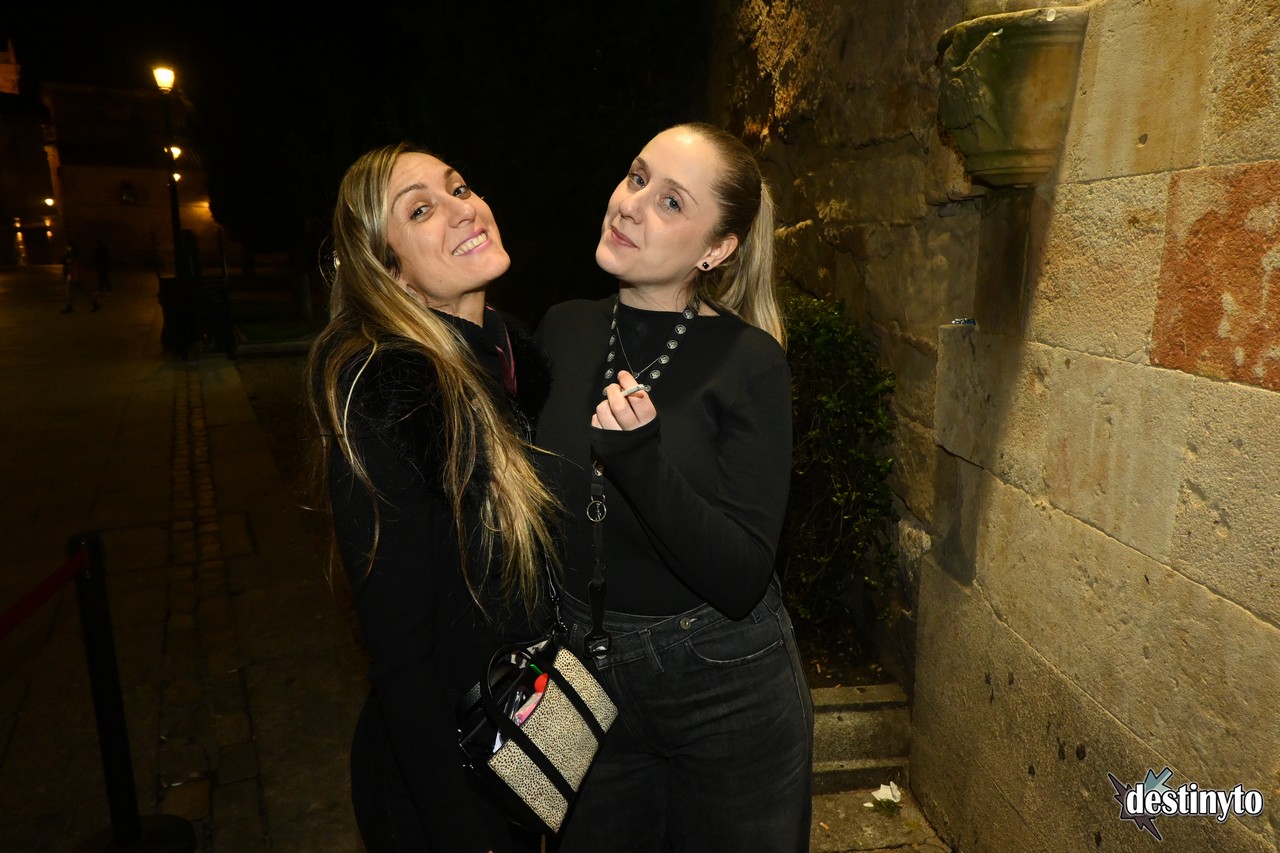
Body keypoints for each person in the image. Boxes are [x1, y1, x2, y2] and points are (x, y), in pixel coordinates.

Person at [534, 122, 814, 852]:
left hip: (722, 681)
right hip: (578, 670)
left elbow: (742, 575)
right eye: (636, 177)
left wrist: (640, 460)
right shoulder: (562, 329)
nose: (630, 204)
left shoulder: (750, 361)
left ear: (716, 250)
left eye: (670, 202)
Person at [305, 141, 562, 853]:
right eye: (420, 210)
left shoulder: (510, 365)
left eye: (459, 188)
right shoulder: (391, 397)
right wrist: (464, 832)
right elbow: (402, 660)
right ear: (390, 272)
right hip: (443, 788)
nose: (462, 209)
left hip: (518, 747)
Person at [60, 242, 100, 313]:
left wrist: (76, 278)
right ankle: (94, 303)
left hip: (74, 276)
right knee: (81, 291)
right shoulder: (73, 255)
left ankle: (70, 307)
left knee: (71, 291)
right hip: (74, 276)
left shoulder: (73, 256)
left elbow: (76, 267)